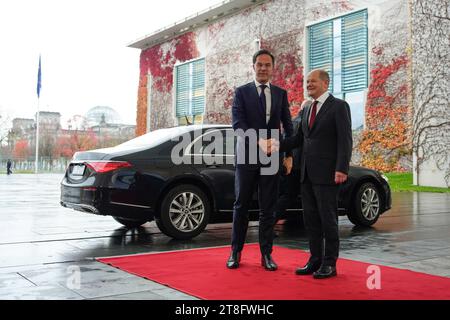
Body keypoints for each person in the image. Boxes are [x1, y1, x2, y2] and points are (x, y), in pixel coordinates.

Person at [269, 69, 352, 279]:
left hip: (327, 175)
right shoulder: (307, 109)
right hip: (306, 174)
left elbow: (345, 140)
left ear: (325, 83)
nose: (308, 85)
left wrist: (342, 168)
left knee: (328, 220)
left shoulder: (339, 106)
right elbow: (298, 139)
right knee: (312, 221)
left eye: (312, 81)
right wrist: (277, 144)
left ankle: (330, 264)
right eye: (306, 82)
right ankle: (314, 260)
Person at [227, 49, 293, 271]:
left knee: (268, 208)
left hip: (272, 155)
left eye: (267, 65)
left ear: (273, 68)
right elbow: (238, 124)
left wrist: (289, 155)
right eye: (259, 64)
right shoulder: (241, 92)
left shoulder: (280, 93)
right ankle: (235, 252)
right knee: (241, 205)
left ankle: (267, 254)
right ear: (253, 66)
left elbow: (288, 126)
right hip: (247, 154)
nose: (263, 68)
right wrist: (258, 142)